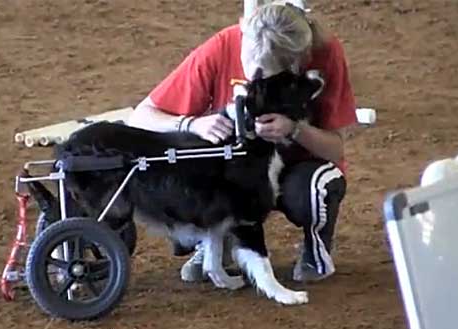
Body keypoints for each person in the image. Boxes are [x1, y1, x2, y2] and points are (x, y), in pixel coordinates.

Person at [128, 0, 356, 283]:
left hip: (296, 169)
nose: (251, 78)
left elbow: (336, 149)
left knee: (312, 190)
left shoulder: (325, 53)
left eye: (262, 77)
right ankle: (215, 240)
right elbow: (142, 117)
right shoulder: (223, 45)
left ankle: (316, 247)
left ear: (295, 66)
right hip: (237, 170)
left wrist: (295, 130)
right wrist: (192, 123)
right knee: (189, 169)